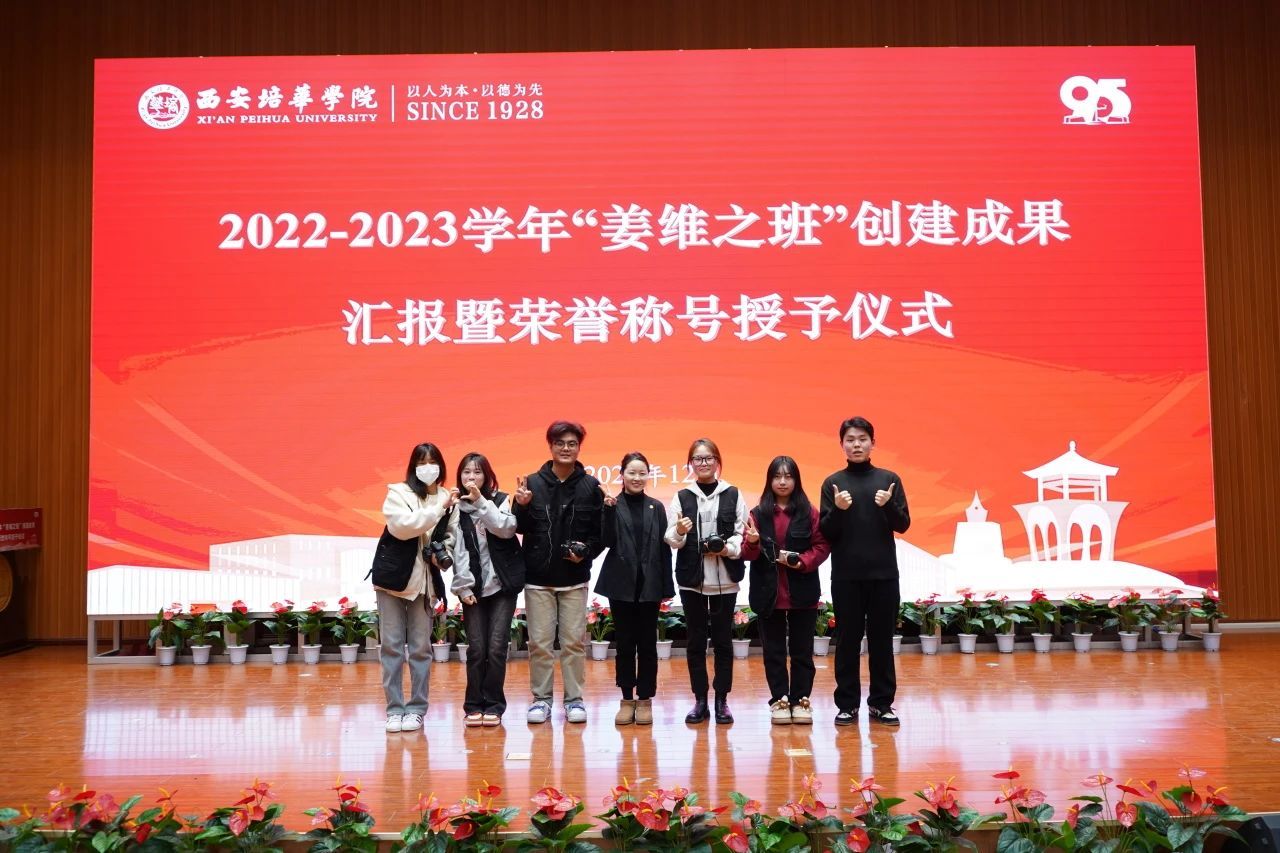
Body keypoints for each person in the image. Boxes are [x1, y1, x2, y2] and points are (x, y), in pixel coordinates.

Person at [819, 417, 910, 727]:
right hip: (846, 576)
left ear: (873, 443)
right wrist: (838, 510)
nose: (856, 445)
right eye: (850, 440)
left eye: (862, 439)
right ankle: (847, 705)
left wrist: (888, 505)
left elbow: (903, 524)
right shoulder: (833, 483)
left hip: (884, 575)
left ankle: (881, 704)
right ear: (842, 444)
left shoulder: (889, 479)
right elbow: (826, 531)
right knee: (847, 641)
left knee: (882, 641)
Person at [512, 421, 604, 724]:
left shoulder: (591, 486)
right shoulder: (531, 483)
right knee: (539, 644)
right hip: (538, 579)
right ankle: (541, 700)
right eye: (560, 443)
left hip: (574, 580)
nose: (566, 448)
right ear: (550, 446)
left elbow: (599, 534)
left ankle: (574, 700)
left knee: (573, 644)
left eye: (572, 443)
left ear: (579, 447)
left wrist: (585, 553)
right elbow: (518, 527)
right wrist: (521, 506)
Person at [741, 456, 831, 726]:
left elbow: (822, 546)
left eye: (788, 476)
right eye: (777, 476)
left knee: (802, 652)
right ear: (769, 480)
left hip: (802, 593)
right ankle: (779, 700)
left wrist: (802, 561)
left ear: (796, 480)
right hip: (768, 594)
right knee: (774, 653)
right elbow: (747, 553)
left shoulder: (809, 512)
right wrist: (753, 542)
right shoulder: (757, 514)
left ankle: (801, 700)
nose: (782, 482)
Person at [664, 438, 747, 725]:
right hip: (692, 580)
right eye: (698, 459)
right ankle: (700, 699)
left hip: (726, 578)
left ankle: (722, 700)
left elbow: (741, 534)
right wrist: (679, 529)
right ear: (690, 464)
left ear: (717, 461)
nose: (703, 463)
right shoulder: (682, 497)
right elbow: (671, 539)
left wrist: (727, 549)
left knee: (723, 642)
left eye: (709, 457)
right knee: (696, 643)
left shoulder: (733, 494)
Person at [377, 442, 455, 733]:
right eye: (422, 463)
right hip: (393, 581)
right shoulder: (398, 492)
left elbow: (451, 535)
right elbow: (402, 527)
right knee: (392, 647)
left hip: (425, 583)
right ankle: (394, 710)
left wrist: (442, 552)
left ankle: (417, 709)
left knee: (421, 649)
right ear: (413, 467)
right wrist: (437, 510)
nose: (428, 468)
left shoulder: (448, 497)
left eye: (433, 462)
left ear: (441, 466)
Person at [595, 451, 675, 726]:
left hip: (650, 585)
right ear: (622, 475)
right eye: (632, 472)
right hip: (621, 584)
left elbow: (665, 550)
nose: (637, 478)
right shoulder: (612, 504)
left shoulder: (657, 507)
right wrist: (607, 511)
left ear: (648, 475)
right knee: (626, 644)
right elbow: (605, 541)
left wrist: (667, 586)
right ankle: (627, 699)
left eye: (642, 473)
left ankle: (645, 700)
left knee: (648, 645)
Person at [448, 452, 521, 727]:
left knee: (497, 648)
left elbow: (506, 528)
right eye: (467, 472)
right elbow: (457, 550)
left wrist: (480, 501)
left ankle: (494, 706)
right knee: (477, 649)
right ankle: (473, 705)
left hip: (502, 585)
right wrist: (462, 587)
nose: (471, 477)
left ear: (487, 476)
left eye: (477, 472)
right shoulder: (455, 507)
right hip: (473, 588)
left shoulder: (500, 500)